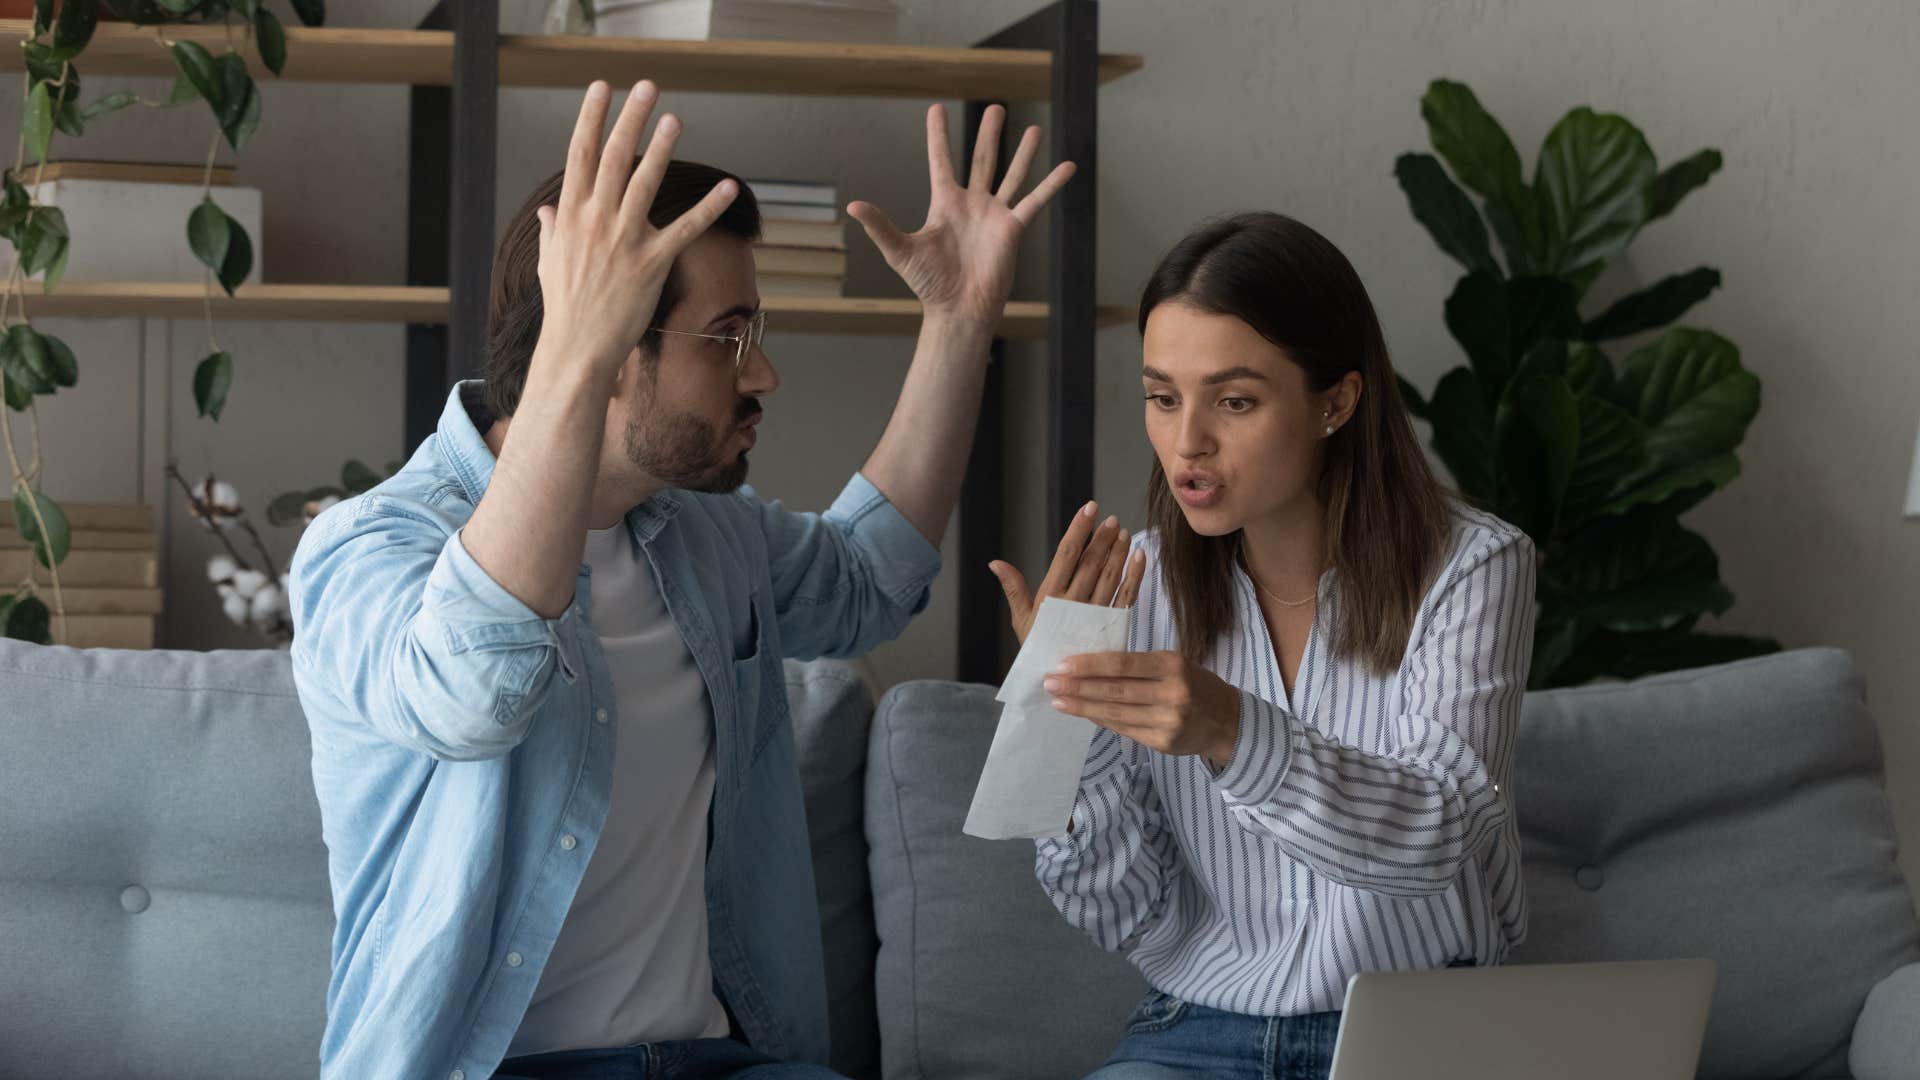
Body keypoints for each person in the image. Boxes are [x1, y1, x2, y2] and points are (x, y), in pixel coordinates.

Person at [287, 79, 1074, 1080]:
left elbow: (867, 579)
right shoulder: (370, 548)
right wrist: (575, 347)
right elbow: (472, 697)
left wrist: (961, 322)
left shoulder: (700, 535)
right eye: (727, 337)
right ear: (610, 350)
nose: (762, 376)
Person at [989, 212, 1537, 1079]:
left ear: (1337, 402)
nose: (1187, 442)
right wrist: (1063, 722)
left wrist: (1231, 731)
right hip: (1199, 1032)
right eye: (1163, 397)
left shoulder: (1474, 566)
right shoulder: (1136, 585)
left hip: (1420, 1030)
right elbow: (1126, 915)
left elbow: (1438, 834)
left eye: (1234, 401)